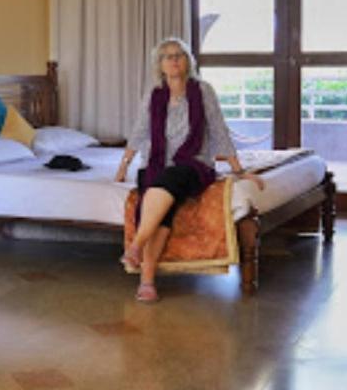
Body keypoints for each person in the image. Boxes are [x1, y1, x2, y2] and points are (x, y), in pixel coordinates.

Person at [114, 37, 265, 303]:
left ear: (187, 61)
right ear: (160, 65)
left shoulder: (203, 90)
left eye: (179, 55)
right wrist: (123, 166)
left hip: (193, 163)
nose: (174, 60)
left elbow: (218, 130)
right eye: (168, 56)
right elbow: (139, 131)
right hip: (157, 162)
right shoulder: (154, 94)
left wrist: (238, 170)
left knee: (165, 184)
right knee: (163, 207)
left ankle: (136, 247)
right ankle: (147, 282)